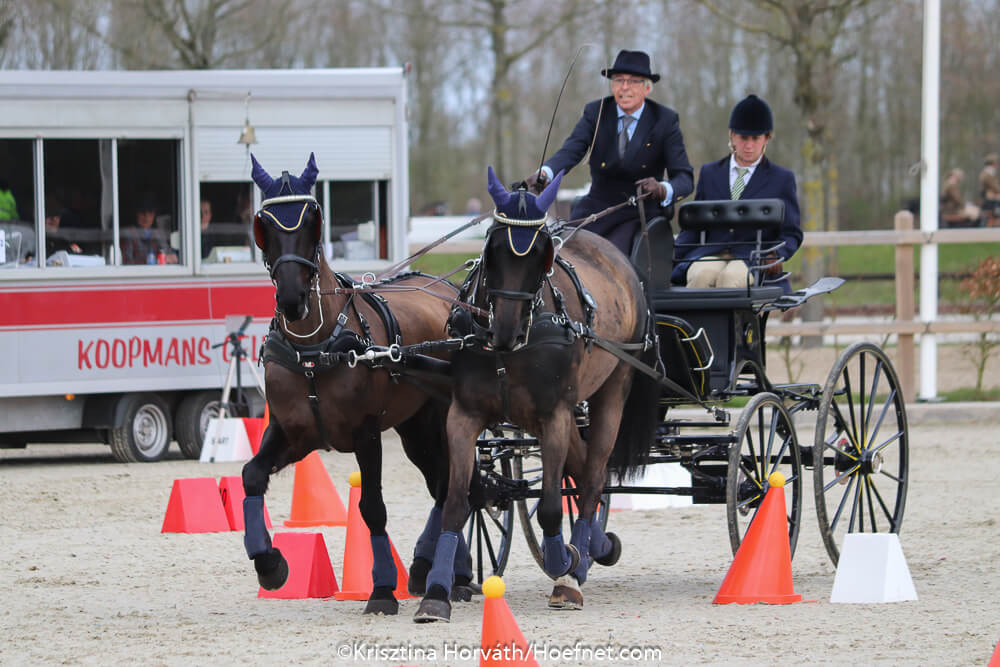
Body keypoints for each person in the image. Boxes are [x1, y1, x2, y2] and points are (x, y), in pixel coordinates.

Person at [527, 49, 694, 255]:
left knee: (610, 258)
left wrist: (662, 189)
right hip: (596, 207)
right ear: (612, 85)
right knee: (561, 252)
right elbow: (571, 150)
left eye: (633, 81)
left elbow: (684, 178)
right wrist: (546, 173)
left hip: (639, 212)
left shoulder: (665, 120)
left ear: (647, 88)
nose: (625, 87)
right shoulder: (595, 112)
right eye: (619, 80)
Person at [672, 94, 802, 291]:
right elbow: (695, 226)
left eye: (755, 138)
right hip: (711, 251)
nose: (749, 146)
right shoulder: (710, 173)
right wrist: (674, 255)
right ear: (732, 135)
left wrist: (776, 254)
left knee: (730, 279)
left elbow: (791, 232)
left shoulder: (781, 179)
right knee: (700, 275)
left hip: (753, 256)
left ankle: (730, 314)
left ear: (767, 138)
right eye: (743, 138)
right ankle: (699, 313)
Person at [120, 196, 177, 265]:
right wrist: (154, 261)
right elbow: (126, 262)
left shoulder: (158, 233)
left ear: (154, 215)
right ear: (136, 214)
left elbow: (170, 255)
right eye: (142, 212)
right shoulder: (129, 233)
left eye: (150, 213)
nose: (146, 217)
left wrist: (171, 257)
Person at [979, 153, 1000, 227]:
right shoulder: (987, 174)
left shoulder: (987, 173)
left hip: (991, 197)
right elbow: (995, 188)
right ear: (993, 164)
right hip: (989, 199)